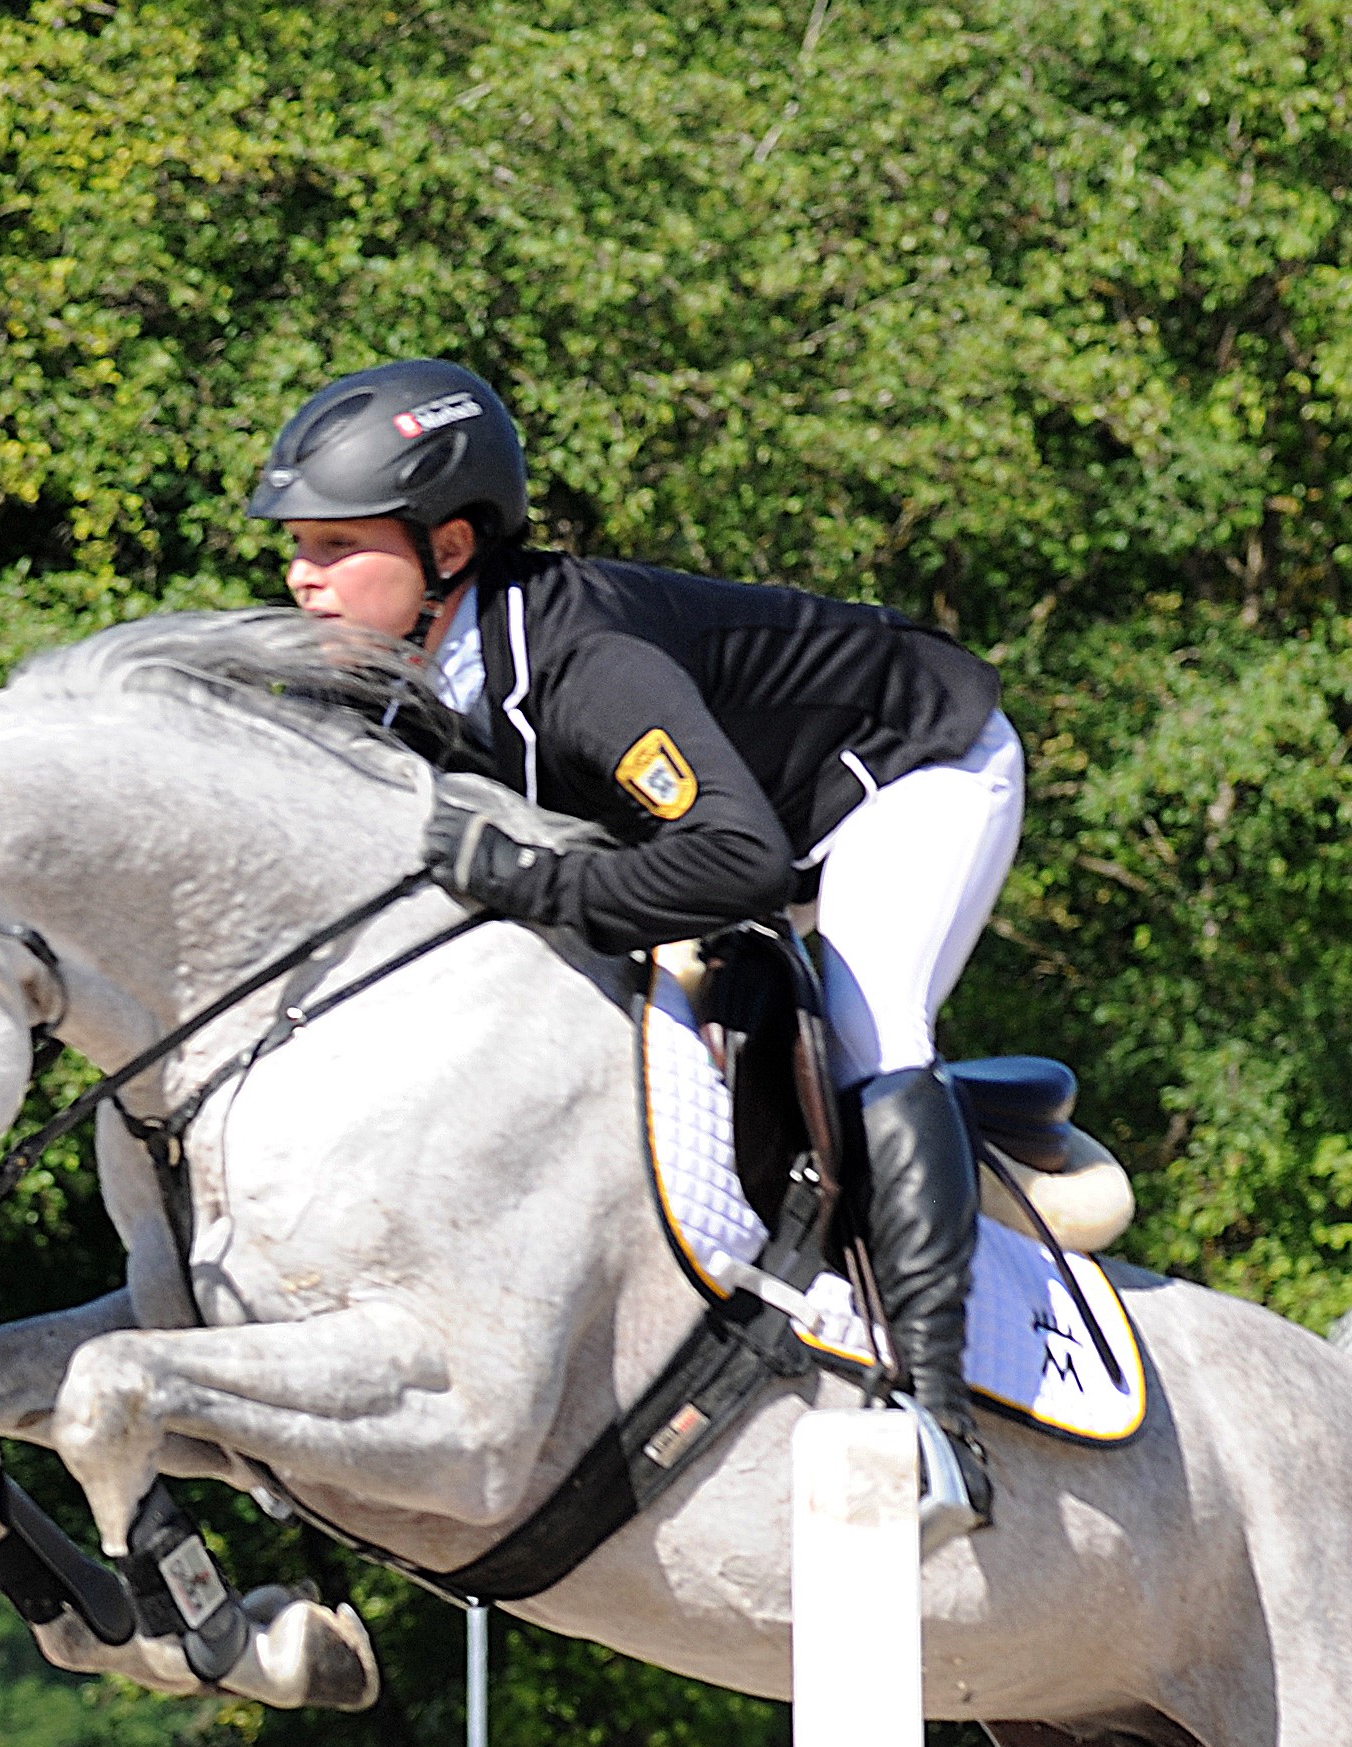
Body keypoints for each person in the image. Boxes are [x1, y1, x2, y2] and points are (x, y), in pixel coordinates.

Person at [249, 355, 1027, 1535]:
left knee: (875, 1027)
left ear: (447, 550)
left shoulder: (582, 667)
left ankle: (937, 1422)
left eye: (333, 549)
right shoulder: (390, 669)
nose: (302, 581)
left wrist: (534, 882)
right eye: (295, 550)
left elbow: (740, 863)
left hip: (904, 775)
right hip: (747, 817)